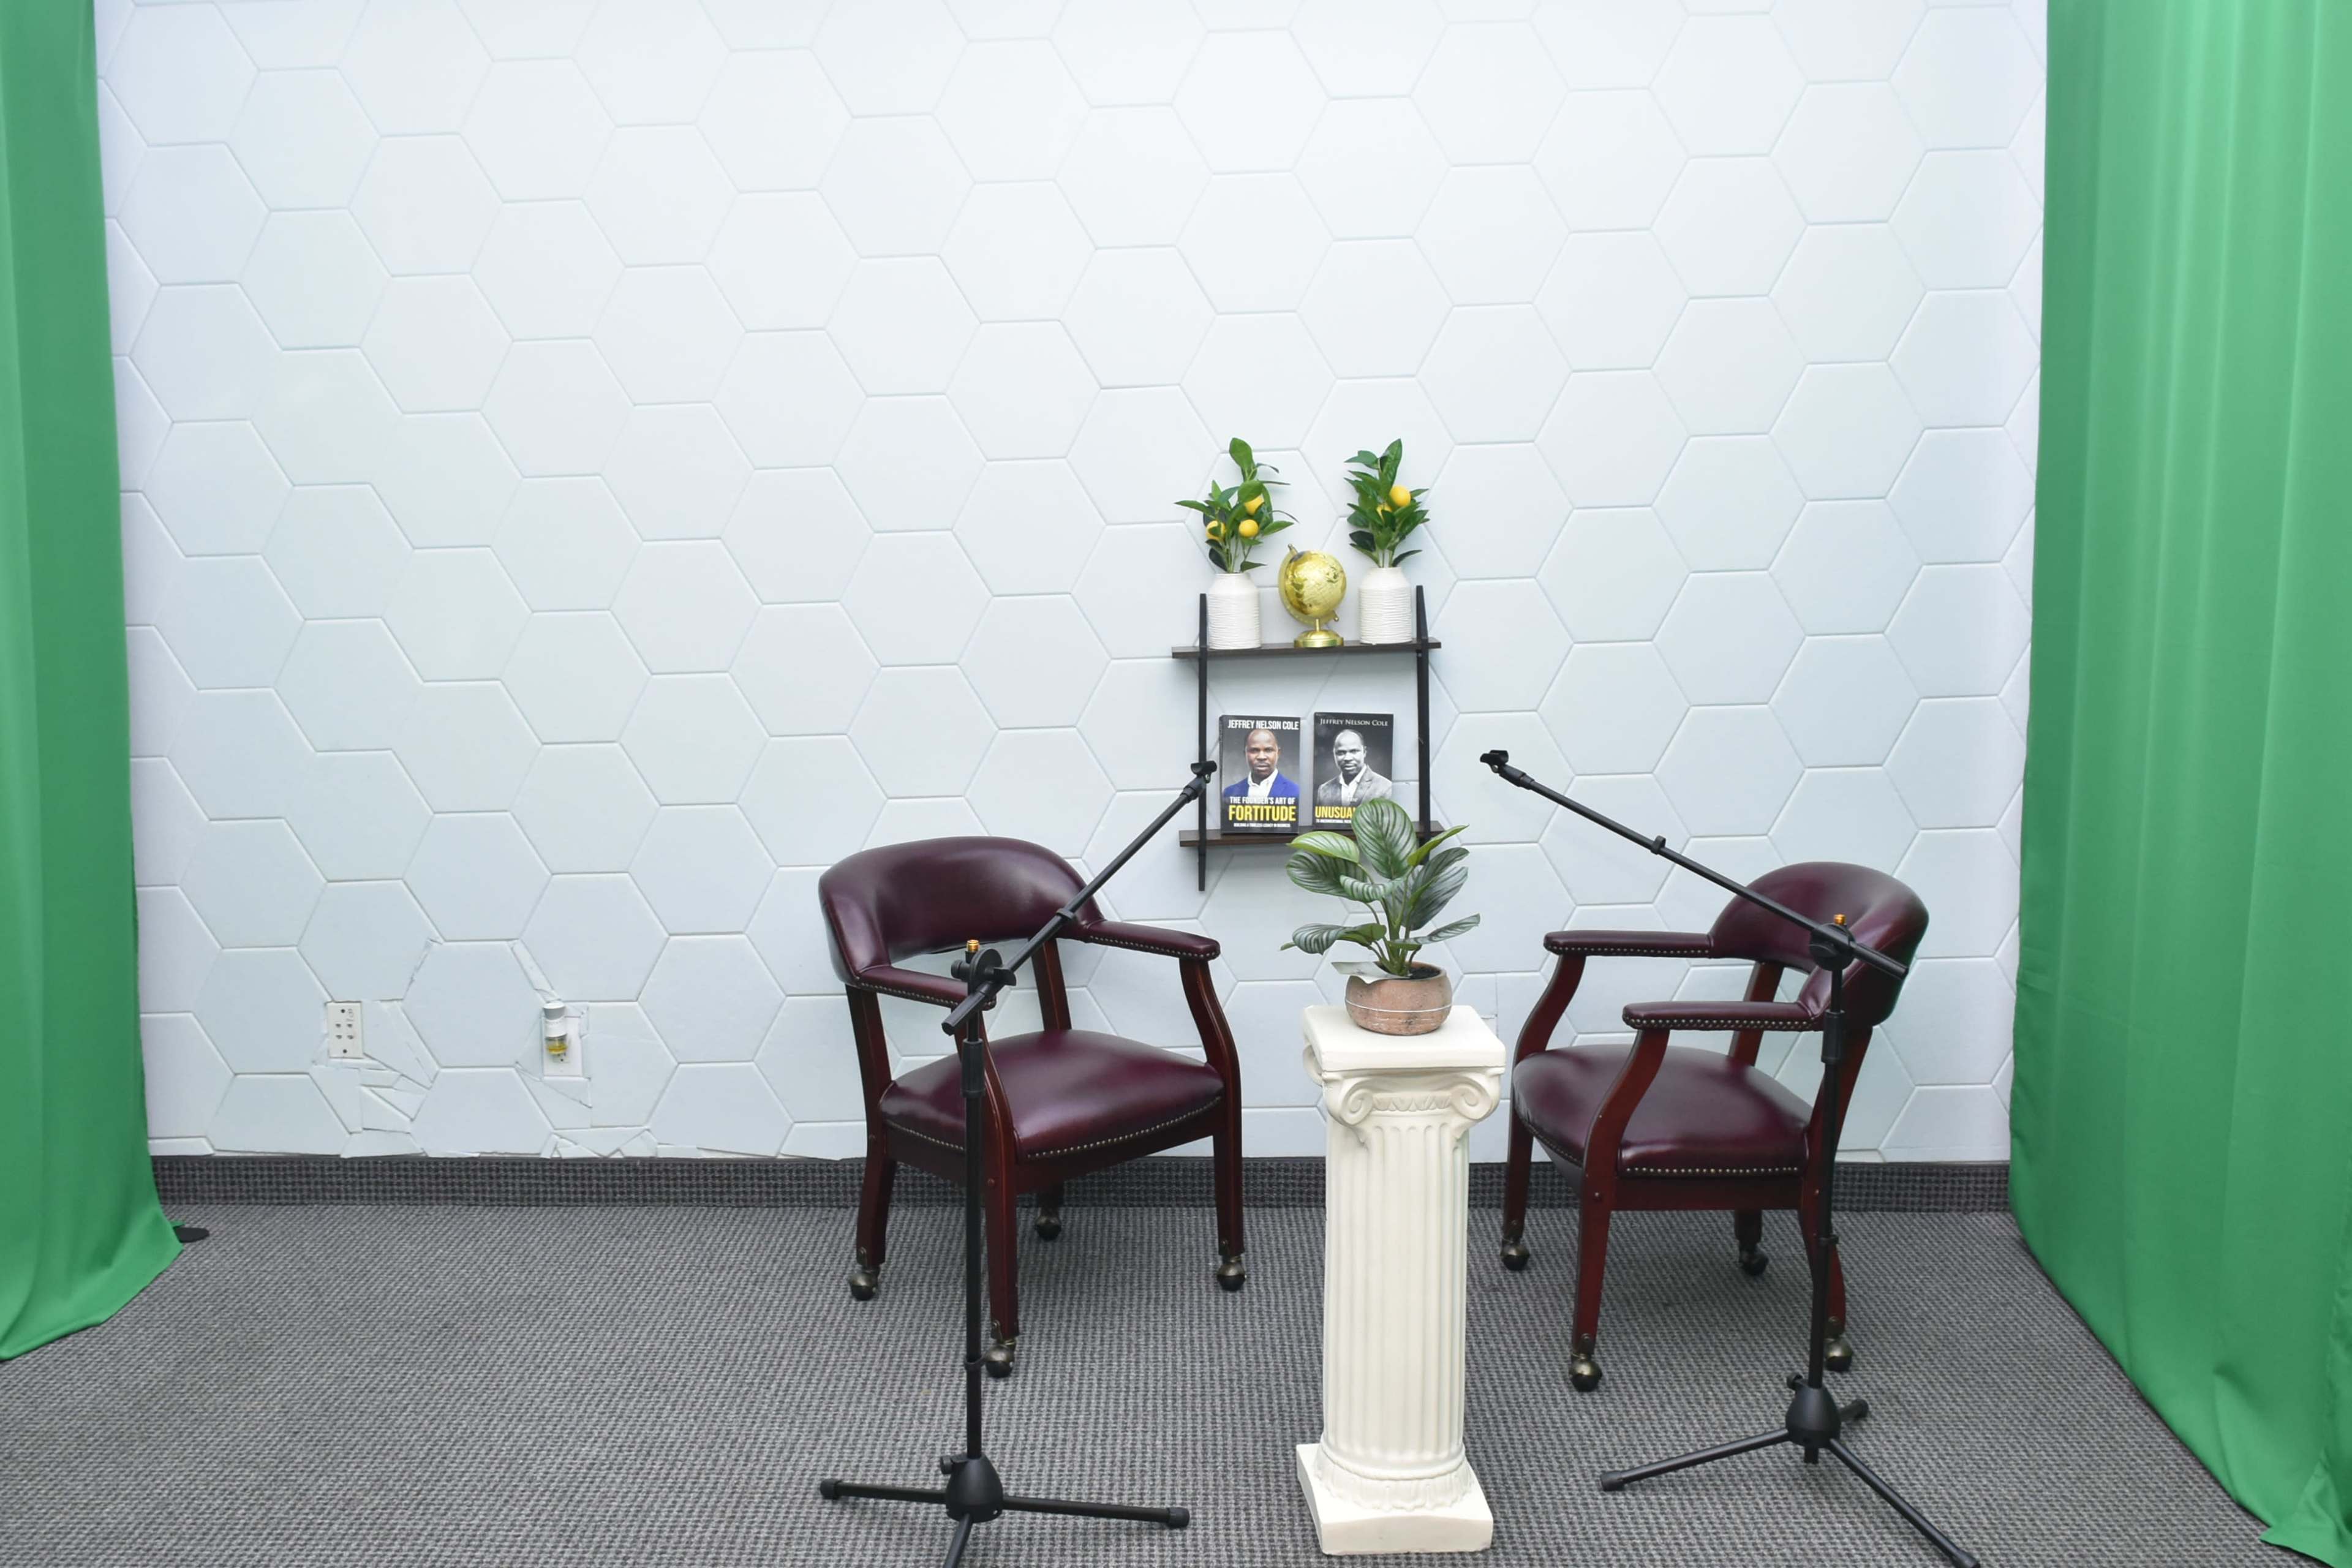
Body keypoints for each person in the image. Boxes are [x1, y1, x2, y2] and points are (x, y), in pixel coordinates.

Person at [1223, 726, 1298, 811]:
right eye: (1254, 750)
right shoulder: (1230, 793)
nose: (1261, 757)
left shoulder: (1295, 792)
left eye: (1268, 750)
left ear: (1278, 753)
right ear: (1245, 754)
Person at [1315, 729, 1392, 807]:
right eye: (1341, 753)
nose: (1348, 758)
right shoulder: (1324, 790)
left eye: (1354, 751)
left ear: (1364, 752)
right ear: (1334, 754)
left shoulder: (1385, 788)